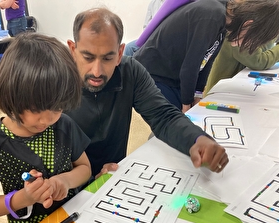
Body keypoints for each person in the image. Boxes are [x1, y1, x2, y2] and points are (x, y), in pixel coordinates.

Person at [65, 8, 228, 180]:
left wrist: (197, 139)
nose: (97, 71)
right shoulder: (55, 80)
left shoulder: (131, 71)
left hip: (112, 177)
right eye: (88, 58)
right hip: (66, 186)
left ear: (120, 53)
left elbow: (163, 116)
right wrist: (83, 179)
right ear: (73, 50)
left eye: (107, 58)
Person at [0, 32, 92, 223]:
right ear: (11, 96)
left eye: (57, 107)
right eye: (36, 109)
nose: (47, 119)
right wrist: (23, 198)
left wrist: (64, 181)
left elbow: (85, 168)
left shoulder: (64, 125)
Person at [134, 0, 279, 113]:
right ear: (248, 24)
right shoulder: (212, 16)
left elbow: (207, 61)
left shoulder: (224, 22)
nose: (246, 46)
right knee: (174, 121)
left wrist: (198, 93)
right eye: (252, 40)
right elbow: (191, 66)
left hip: (174, 75)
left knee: (186, 116)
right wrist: (186, 104)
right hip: (152, 73)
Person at [204, 37, 279, 94]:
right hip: (221, 93)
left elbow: (264, 50)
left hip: (237, 89)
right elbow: (258, 61)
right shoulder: (242, 31)